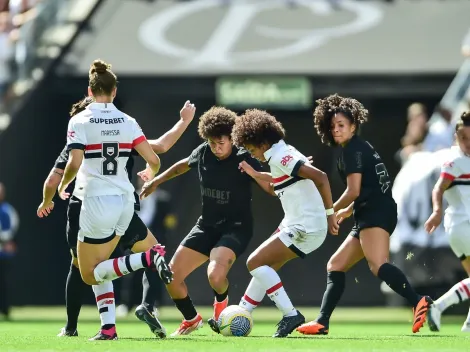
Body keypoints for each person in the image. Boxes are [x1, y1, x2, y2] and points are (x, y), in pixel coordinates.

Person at [36, 59, 174, 340]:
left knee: (89, 273)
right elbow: (154, 158)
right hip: (125, 200)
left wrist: (63, 185)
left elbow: (74, 163)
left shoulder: (80, 119)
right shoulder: (128, 120)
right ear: (113, 91)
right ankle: (108, 329)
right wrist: (152, 172)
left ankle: (148, 256)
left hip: (96, 201)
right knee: (104, 264)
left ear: (90, 90)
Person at [297, 94, 432, 335]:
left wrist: (330, 211)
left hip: (375, 212)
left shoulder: (352, 151)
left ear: (353, 126)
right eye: (332, 126)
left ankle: (418, 300)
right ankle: (322, 322)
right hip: (371, 210)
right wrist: (347, 211)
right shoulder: (359, 147)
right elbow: (365, 189)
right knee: (336, 265)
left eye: (341, 125)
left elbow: (353, 190)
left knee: (378, 265)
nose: (336, 130)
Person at [140, 106, 273, 336]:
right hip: (207, 226)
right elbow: (181, 166)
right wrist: (156, 181)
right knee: (171, 277)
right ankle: (191, 319)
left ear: (232, 138)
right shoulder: (203, 152)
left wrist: (255, 174)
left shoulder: (244, 156)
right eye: (212, 143)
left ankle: (221, 308)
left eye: (221, 143)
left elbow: (271, 187)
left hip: (236, 228)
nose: (217, 148)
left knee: (215, 275)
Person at [231, 109, 338, 337]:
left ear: (262, 142)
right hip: (297, 223)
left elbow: (321, 177)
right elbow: (274, 186)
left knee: (254, 262)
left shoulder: (281, 156)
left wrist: (331, 214)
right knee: (264, 268)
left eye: (252, 150)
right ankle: (242, 312)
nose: (253, 155)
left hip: (305, 226)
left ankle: (290, 314)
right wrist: (254, 173)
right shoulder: (277, 154)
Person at [425, 111, 470, 332]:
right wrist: (436, 211)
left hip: (459, 227)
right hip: (464, 225)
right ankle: (439, 306)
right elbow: (439, 187)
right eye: (464, 139)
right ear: (456, 137)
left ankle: (468, 325)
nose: (468, 143)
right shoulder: (455, 160)